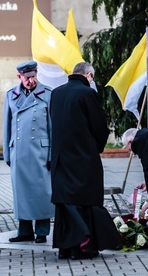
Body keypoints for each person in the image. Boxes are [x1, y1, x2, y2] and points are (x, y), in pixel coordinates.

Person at [49, 62, 120, 260]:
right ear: (88, 75)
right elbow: (99, 126)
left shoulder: (56, 93)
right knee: (85, 201)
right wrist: (96, 147)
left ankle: (66, 248)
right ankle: (83, 246)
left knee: (66, 203)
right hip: (83, 159)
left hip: (60, 159)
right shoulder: (87, 93)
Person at [3, 60, 54, 243]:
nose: (31, 80)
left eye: (33, 76)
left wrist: (51, 154)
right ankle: (24, 231)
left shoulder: (47, 94)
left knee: (42, 193)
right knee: (21, 193)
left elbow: (52, 127)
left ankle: (41, 232)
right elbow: (7, 125)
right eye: (27, 77)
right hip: (19, 152)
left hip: (40, 152)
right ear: (19, 77)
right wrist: (7, 153)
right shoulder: (11, 95)